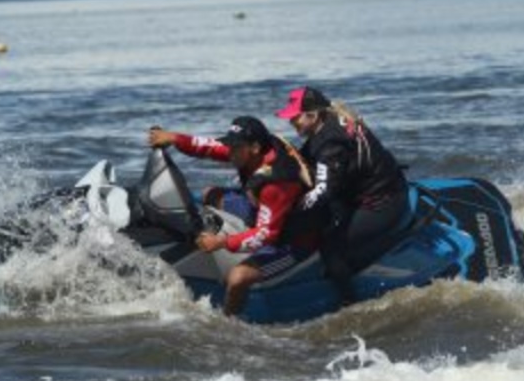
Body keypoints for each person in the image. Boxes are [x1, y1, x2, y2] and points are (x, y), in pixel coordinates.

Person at [148, 116, 313, 316]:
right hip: (265, 210)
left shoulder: (276, 183)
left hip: (293, 240)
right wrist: (174, 138)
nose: (229, 152)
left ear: (254, 147)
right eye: (231, 145)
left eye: (235, 148)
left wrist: (222, 242)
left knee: (237, 278)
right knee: (211, 194)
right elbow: (209, 147)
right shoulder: (253, 151)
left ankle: (228, 325)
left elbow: (266, 234)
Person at [276, 86, 408, 306]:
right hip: (376, 187)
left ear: (313, 114)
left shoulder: (330, 141)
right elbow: (307, 162)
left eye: (295, 117)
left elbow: (324, 190)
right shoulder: (327, 125)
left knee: (330, 245)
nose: (291, 122)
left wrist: (291, 212)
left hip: (383, 202)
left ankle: (349, 302)